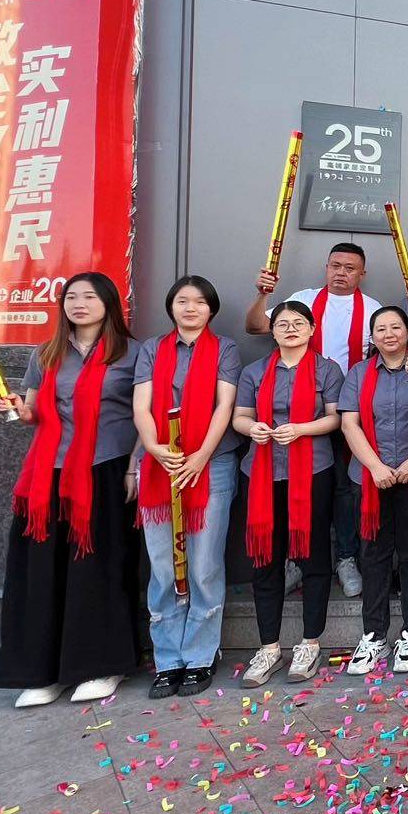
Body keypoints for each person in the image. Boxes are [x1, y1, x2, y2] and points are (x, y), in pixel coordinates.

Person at [0, 273, 141, 708]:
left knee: (98, 569)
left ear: (109, 303)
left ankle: (101, 665)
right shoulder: (46, 353)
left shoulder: (132, 353)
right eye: (71, 296)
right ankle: (43, 671)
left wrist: (135, 467)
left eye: (89, 296)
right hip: (48, 475)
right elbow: (33, 411)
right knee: (42, 572)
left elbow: (143, 415)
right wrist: (15, 410)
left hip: (106, 469)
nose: (78, 303)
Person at [246, 243, 378, 599]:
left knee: (344, 490)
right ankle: (296, 559)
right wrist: (262, 295)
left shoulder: (372, 309)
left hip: (349, 412)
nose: (341, 272)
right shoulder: (303, 299)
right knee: (294, 487)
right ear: (326, 266)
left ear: (362, 273)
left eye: (350, 268)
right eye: (335, 265)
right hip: (298, 415)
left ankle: (346, 558)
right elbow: (255, 326)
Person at [134, 275, 242, 698]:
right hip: (161, 464)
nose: (191, 308)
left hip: (211, 464)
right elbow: (141, 406)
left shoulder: (225, 349)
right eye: (182, 301)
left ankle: (199, 655)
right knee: (163, 568)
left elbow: (225, 405)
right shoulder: (152, 349)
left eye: (199, 302)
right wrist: (153, 447)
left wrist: (200, 456)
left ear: (211, 309)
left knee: (203, 566)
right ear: (171, 307)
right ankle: (167, 659)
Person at [233, 300, 344, 687]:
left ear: (312, 329)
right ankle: (269, 648)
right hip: (261, 473)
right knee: (266, 558)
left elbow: (335, 418)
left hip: (313, 472)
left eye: (299, 323)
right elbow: (239, 417)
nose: (290, 329)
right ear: (272, 330)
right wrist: (253, 429)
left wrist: (300, 429)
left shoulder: (327, 370)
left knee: (314, 557)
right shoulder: (254, 372)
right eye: (282, 323)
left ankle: (310, 643)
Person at [339, 305, 408, 676]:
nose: (389, 334)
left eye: (396, 327)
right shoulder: (359, 372)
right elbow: (349, 424)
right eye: (380, 329)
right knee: (374, 554)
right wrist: (376, 467)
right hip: (369, 477)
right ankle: (374, 635)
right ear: (372, 337)